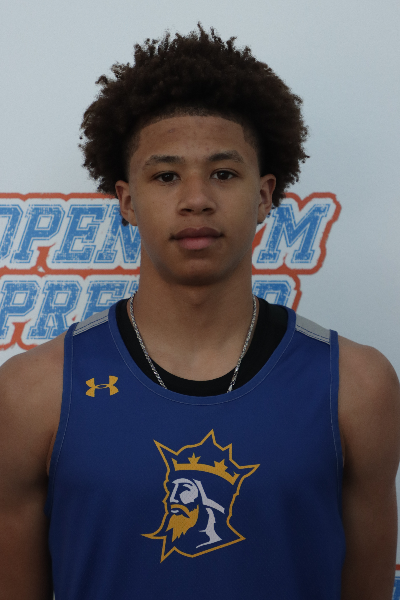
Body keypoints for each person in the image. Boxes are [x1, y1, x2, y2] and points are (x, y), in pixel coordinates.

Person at [0, 25, 399, 600]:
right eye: (166, 176)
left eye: (223, 173)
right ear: (127, 201)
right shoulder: (32, 393)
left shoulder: (358, 387)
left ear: (264, 196)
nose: (196, 199)